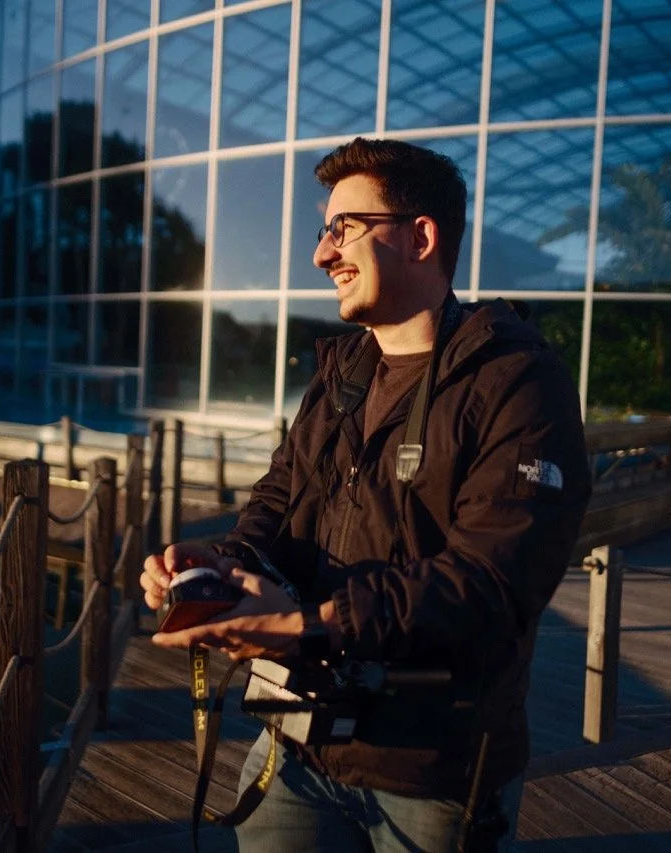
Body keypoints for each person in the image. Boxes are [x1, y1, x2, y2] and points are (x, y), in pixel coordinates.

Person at [140, 137, 590, 852]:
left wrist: (302, 625)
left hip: (432, 772)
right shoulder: (344, 371)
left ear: (421, 237)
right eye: (324, 232)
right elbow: (279, 500)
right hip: (297, 741)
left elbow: (490, 586)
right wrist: (221, 567)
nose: (322, 255)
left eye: (344, 228)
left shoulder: (518, 383)